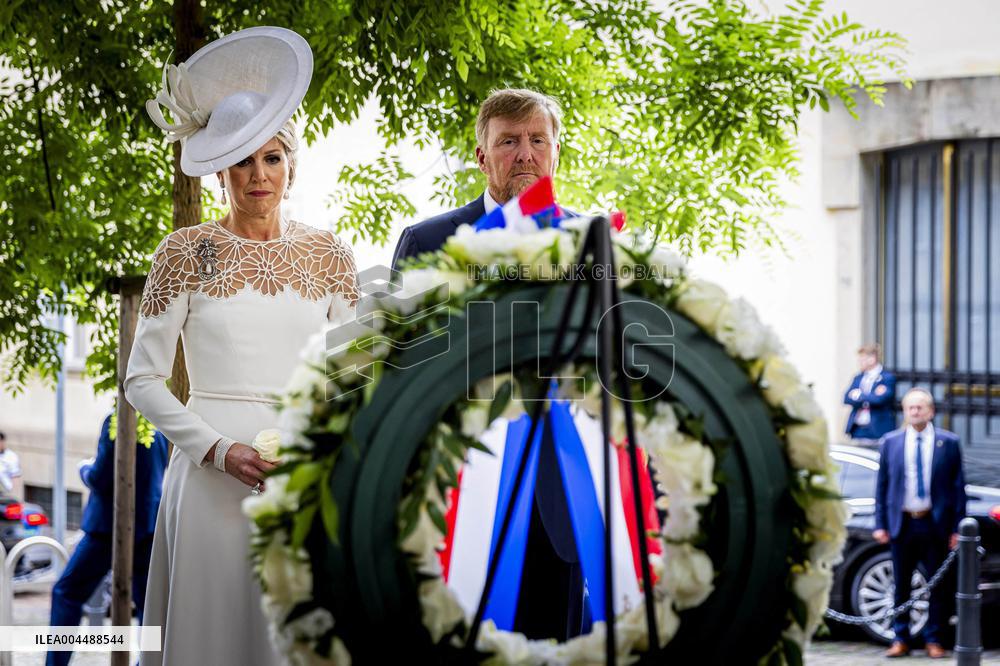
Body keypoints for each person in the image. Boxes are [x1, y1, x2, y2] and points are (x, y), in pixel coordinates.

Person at [127, 27, 358, 666]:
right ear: (221, 170)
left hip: (303, 483)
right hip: (208, 484)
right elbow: (141, 380)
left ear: (291, 165)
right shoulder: (184, 251)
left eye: (272, 158)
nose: (259, 176)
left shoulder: (330, 254)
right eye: (243, 162)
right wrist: (217, 450)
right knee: (209, 639)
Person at [392, 88, 586, 641]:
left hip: (560, 501)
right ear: (481, 156)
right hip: (459, 498)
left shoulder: (590, 243)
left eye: (538, 140)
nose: (525, 154)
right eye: (508, 142)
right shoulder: (428, 242)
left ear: (555, 152)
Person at [46, 414, 168, 666]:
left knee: (66, 592)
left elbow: (100, 478)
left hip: (108, 527)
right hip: (148, 525)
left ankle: (55, 663)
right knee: (149, 604)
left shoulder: (117, 419)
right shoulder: (159, 422)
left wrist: (84, 469)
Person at [874, 388, 966, 659]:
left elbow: (957, 488)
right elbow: (882, 487)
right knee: (901, 584)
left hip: (934, 524)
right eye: (910, 408)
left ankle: (934, 639)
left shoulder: (948, 442)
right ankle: (900, 638)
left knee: (938, 585)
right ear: (904, 411)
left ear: (931, 411)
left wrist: (956, 528)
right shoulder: (890, 442)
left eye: (920, 407)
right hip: (902, 523)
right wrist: (880, 524)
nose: (915, 412)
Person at [844, 343, 896, 446]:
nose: (859, 362)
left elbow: (880, 400)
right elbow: (846, 398)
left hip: (877, 429)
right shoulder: (858, 377)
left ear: (872, 358)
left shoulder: (886, 377)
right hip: (858, 429)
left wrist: (859, 395)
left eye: (862, 359)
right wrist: (870, 397)